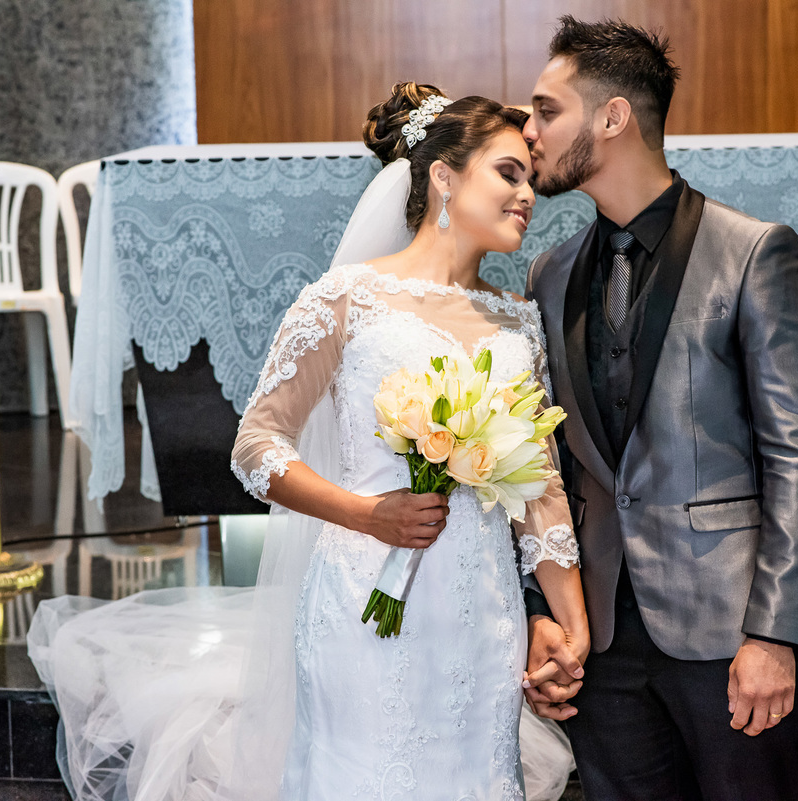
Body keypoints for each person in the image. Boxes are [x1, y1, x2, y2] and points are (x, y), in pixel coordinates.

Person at [29, 83, 588, 801]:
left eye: (529, 179)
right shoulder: (347, 299)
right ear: (445, 177)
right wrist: (366, 512)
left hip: (483, 617)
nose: (527, 195)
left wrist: (567, 625)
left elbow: (539, 485)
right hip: (364, 604)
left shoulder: (517, 320)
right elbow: (256, 446)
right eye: (508, 173)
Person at [517, 17, 798, 801]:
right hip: (603, 633)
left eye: (546, 110)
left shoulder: (755, 253)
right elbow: (545, 466)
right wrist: (543, 610)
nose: (529, 132)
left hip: (729, 624)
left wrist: (775, 632)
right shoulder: (550, 276)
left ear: (613, 117)